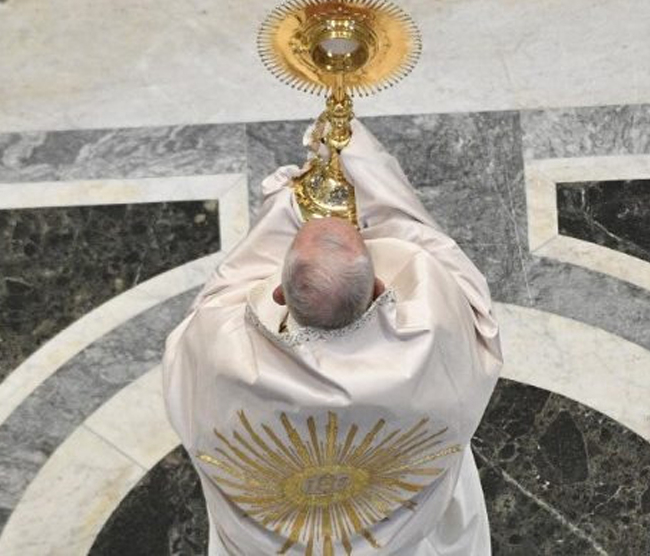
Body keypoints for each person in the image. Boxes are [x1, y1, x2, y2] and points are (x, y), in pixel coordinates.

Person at [163, 119, 503, 555]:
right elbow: (429, 243)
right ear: (380, 289)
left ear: (280, 292)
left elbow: (229, 282)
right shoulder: (431, 336)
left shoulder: (221, 349)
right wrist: (363, 157)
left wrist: (286, 202)